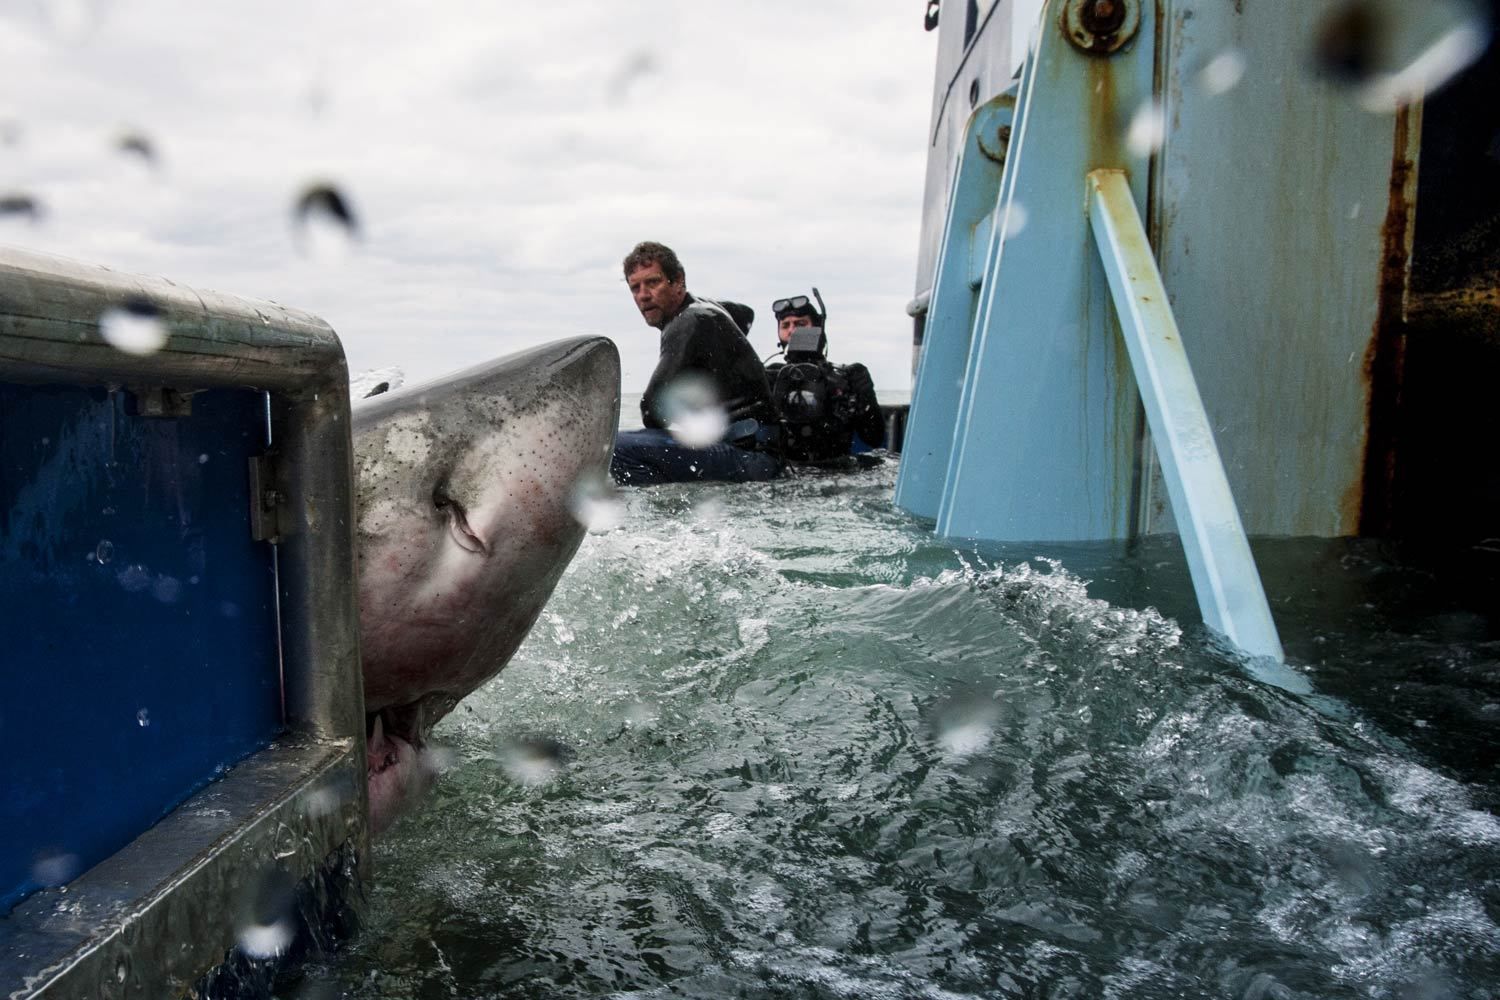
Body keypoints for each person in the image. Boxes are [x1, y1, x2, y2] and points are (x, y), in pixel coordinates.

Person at [610, 242, 782, 486]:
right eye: (635, 288)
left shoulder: (689, 321)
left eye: (653, 282)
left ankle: (667, 516)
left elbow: (652, 410)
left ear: (678, 280)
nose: (643, 295)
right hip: (762, 449)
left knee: (615, 448)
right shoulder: (706, 311)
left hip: (749, 458)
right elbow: (746, 313)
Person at [763, 290, 885, 462]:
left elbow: (874, 438)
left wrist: (866, 395)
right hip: (787, 470)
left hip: (836, 470)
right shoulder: (769, 377)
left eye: (800, 324)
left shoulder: (845, 378)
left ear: (818, 329)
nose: (792, 331)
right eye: (785, 325)